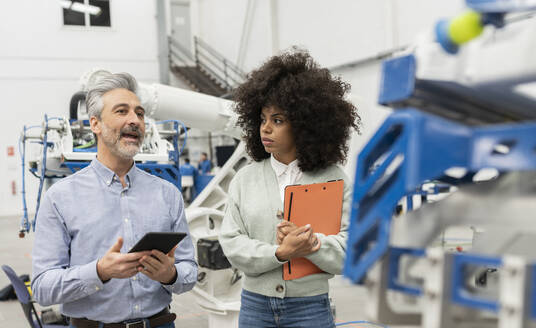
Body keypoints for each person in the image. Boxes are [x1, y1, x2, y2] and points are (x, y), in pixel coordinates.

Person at [31, 72, 198, 328]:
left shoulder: (167, 194)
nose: (135, 120)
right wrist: (99, 272)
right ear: (95, 124)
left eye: (140, 114)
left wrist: (170, 275)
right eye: (122, 111)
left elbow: (189, 270)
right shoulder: (60, 198)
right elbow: (42, 288)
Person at [218, 49, 361, 328]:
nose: (266, 128)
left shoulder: (335, 179)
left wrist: (312, 244)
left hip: (310, 308)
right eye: (262, 119)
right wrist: (280, 253)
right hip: (255, 307)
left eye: (278, 120)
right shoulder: (244, 179)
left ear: (305, 124)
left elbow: (350, 248)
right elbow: (232, 244)